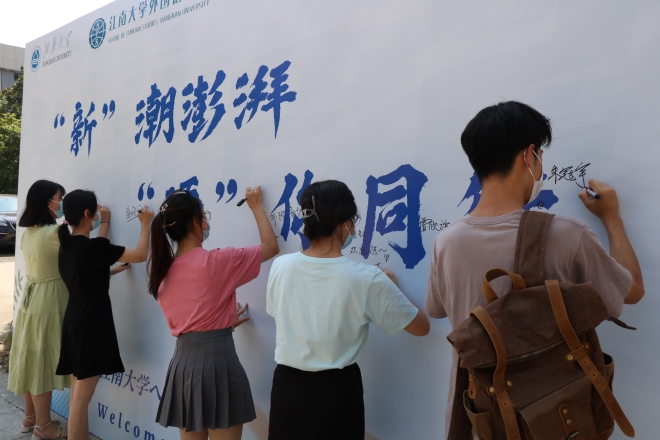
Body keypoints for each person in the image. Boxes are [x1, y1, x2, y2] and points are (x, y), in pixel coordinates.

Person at [424, 101, 645, 438]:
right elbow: (632, 291)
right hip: (554, 416)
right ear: (529, 156)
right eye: (540, 156)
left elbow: (437, 310)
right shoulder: (567, 234)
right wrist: (612, 218)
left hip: (486, 416)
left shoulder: (445, 242)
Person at [266, 179, 430, 440]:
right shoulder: (367, 278)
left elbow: (279, 313)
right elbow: (421, 327)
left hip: (287, 388)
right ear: (345, 223)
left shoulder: (281, 266)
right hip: (337, 394)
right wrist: (393, 290)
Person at [148, 187, 279, 440]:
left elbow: (192, 320)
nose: (206, 223)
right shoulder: (218, 261)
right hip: (219, 364)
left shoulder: (162, 273)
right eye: (204, 217)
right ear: (195, 222)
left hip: (183, 366)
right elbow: (271, 247)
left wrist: (223, 321)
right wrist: (255, 206)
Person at [56, 190, 153, 440]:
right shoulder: (93, 249)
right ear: (87, 214)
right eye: (96, 213)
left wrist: (106, 222)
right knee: (80, 400)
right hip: (91, 324)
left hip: (74, 320)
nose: (98, 216)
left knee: (78, 393)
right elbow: (141, 254)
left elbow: (88, 272)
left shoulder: (67, 247)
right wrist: (146, 224)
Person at [8, 180, 71, 439]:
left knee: (31, 358)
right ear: (48, 201)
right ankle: (44, 427)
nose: (62, 202)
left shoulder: (30, 232)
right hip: (50, 301)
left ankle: (30, 418)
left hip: (31, 300)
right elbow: (79, 262)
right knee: (43, 364)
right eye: (59, 197)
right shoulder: (54, 233)